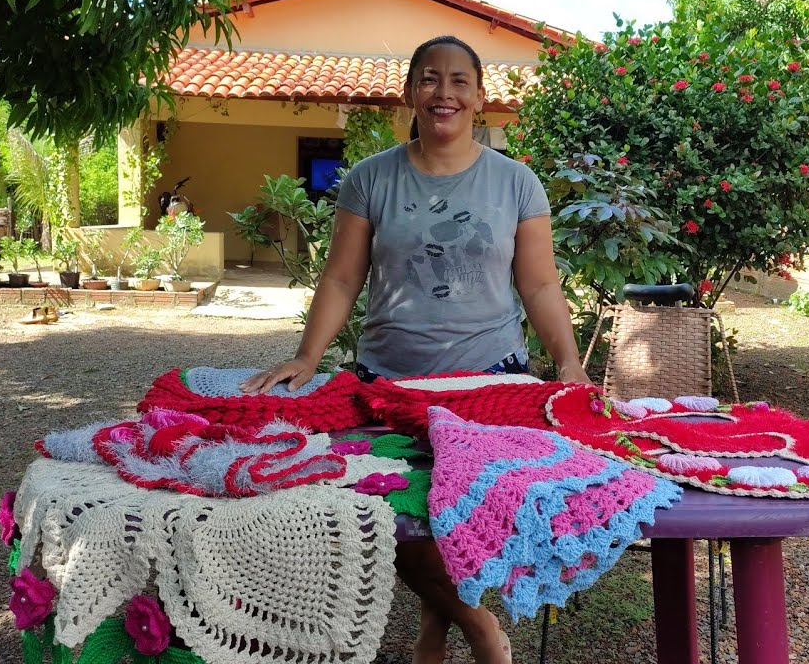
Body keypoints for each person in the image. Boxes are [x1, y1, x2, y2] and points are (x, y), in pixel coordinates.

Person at [241, 35, 591, 663]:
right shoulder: (372, 178)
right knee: (384, 507)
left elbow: (538, 282)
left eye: (460, 81)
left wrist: (567, 362)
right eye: (430, 79)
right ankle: (478, 625)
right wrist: (308, 356)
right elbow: (343, 277)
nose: (444, 93)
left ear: (481, 98)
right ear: (410, 92)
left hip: (491, 382)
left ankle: (435, 623)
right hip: (388, 381)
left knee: (462, 500)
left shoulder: (516, 183)